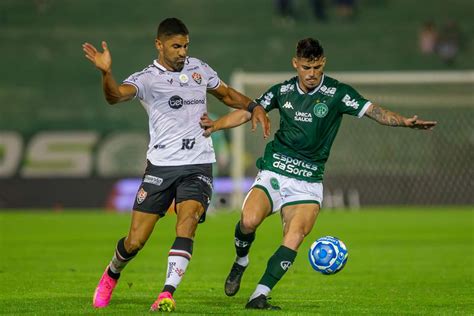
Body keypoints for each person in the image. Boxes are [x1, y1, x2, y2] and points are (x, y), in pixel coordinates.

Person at [200, 38, 437, 310]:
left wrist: (404, 122)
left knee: (295, 234)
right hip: (276, 169)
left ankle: (259, 296)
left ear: (323, 63)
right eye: (306, 67)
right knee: (249, 221)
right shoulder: (283, 90)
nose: (312, 73)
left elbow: (373, 110)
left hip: (308, 180)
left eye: (316, 67)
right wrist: (216, 126)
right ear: (295, 64)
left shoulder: (337, 93)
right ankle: (241, 261)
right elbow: (247, 113)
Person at [82, 17, 269, 312]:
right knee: (135, 241)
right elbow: (115, 96)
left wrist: (254, 106)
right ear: (159, 45)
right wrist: (106, 73)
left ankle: (166, 293)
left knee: (188, 222)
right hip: (161, 167)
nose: (183, 52)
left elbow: (228, 94)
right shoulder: (146, 78)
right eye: (176, 46)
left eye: (185, 46)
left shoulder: (199, 69)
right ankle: (111, 274)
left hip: (198, 165)